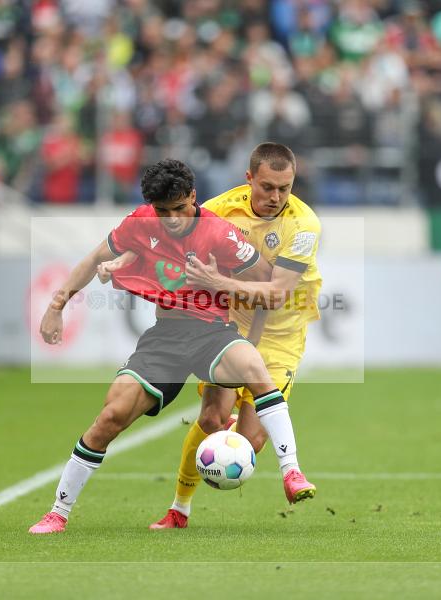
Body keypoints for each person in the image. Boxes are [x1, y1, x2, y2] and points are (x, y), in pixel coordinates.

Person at [29, 159, 316, 534]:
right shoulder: (140, 222)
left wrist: (250, 337)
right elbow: (94, 258)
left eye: (180, 209)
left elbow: (266, 286)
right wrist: (57, 306)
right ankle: (58, 512)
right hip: (164, 339)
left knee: (253, 368)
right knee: (110, 417)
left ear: (194, 198)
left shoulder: (219, 233)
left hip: (212, 332)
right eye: (163, 212)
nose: (173, 219)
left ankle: (291, 471)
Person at [105, 143, 322, 529]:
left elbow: (274, 294)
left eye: (284, 188)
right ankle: (179, 508)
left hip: (281, 334)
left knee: (250, 442)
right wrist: (126, 258)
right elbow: (170, 235)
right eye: (267, 187)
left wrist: (215, 280)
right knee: (211, 419)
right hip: (229, 322)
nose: (275, 197)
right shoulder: (220, 208)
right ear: (249, 178)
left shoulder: (304, 226)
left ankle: (263, 441)